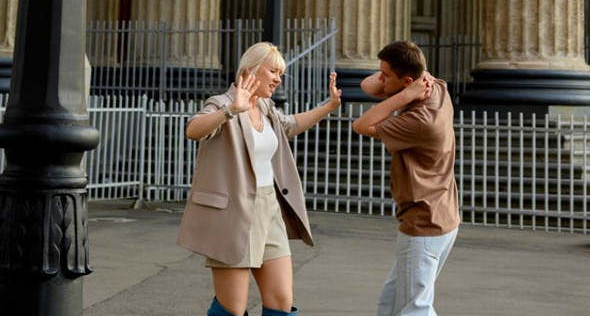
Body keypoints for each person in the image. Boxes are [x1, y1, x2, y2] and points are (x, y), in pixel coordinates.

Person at [179, 42, 342, 316]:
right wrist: (231, 109)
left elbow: (290, 125)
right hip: (233, 214)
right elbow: (193, 129)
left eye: (281, 73)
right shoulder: (221, 103)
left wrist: (329, 106)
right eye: (274, 71)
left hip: (270, 210)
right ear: (252, 70)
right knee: (232, 308)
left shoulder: (266, 107)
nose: (279, 79)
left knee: (281, 302)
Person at [351, 40, 459, 316]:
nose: (380, 79)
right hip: (440, 216)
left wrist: (400, 96)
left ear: (409, 81)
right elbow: (368, 86)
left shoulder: (421, 120)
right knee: (390, 304)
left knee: (415, 309)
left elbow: (361, 125)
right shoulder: (437, 87)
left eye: (386, 75)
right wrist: (401, 86)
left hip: (424, 221)